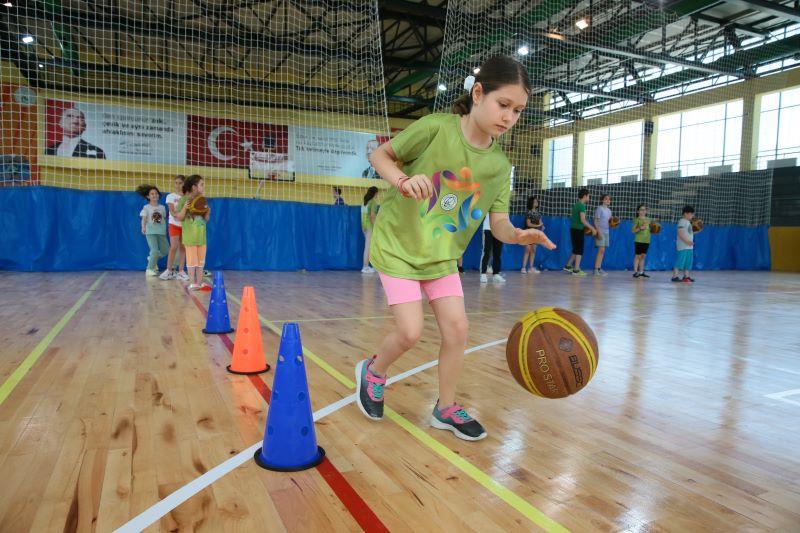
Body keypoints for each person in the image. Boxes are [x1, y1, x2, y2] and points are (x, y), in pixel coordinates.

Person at [355, 55, 555, 441]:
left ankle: (445, 408)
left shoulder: (499, 167)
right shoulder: (435, 128)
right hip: (399, 247)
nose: (509, 117)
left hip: (443, 258)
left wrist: (518, 235)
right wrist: (401, 181)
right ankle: (374, 371)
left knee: (458, 329)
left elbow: (497, 224)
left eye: (518, 110)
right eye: (503, 104)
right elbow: (380, 155)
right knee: (410, 332)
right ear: (478, 94)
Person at [176, 175, 211, 290]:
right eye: (201, 184)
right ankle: (192, 282)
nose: (203, 186)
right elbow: (179, 218)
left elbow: (205, 220)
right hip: (190, 238)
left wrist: (207, 213)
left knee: (200, 262)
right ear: (194, 187)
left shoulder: (202, 199)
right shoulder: (184, 200)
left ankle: (199, 283)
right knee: (192, 262)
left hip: (201, 238)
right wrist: (185, 208)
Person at [160, 175, 189, 281]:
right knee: (173, 246)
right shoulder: (170, 196)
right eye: (176, 183)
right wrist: (178, 215)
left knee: (183, 247)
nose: (177, 185)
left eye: (180, 183)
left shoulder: (187, 197)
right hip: (174, 224)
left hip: (185, 226)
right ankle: (169, 270)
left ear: (184, 184)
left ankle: (181, 271)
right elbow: (172, 211)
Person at [136, 184, 168, 277]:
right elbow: (144, 218)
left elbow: (163, 218)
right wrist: (143, 227)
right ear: (148, 196)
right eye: (152, 194)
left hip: (161, 232)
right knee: (154, 250)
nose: (154, 195)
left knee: (166, 251)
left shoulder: (162, 207)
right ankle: (149, 269)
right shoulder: (146, 207)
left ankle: (151, 258)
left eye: (156, 193)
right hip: (151, 232)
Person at [563, 188, 596, 277]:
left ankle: (568, 265)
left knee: (576, 249)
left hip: (574, 229)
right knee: (579, 250)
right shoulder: (581, 206)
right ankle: (576, 270)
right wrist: (592, 228)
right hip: (578, 230)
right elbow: (583, 220)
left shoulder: (576, 205)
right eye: (589, 196)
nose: (589, 198)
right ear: (585, 196)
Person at [672, 205, 696, 283]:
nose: (692, 216)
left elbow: (690, 233)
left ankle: (686, 276)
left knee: (688, 262)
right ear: (685, 213)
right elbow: (680, 233)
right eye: (691, 214)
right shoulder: (682, 221)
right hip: (683, 246)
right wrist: (687, 242)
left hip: (689, 246)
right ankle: (675, 276)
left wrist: (699, 230)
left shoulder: (688, 222)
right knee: (680, 261)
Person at [521, 195, 543, 274]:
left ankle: (531, 268)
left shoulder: (538, 213)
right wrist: (538, 225)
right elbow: (528, 224)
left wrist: (541, 226)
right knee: (527, 249)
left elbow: (541, 223)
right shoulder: (528, 212)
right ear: (531, 203)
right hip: (528, 233)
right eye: (535, 202)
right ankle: (523, 268)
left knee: (533, 250)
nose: (537, 203)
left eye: (537, 201)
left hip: (535, 234)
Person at [480, 215, 505, 283]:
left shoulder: (503, 205)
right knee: (487, 251)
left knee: (497, 253)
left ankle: (496, 274)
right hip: (488, 228)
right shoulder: (487, 204)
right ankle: (483, 274)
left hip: (500, 229)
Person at [361, 186, 379, 273]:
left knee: (369, 247)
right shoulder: (373, 202)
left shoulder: (365, 202)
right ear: (375, 193)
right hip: (369, 227)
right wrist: (376, 227)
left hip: (364, 227)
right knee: (368, 247)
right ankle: (365, 267)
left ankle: (369, 266)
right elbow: (372, 216)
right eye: (377, 193)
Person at [593, 194, 612, 276]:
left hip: (607, 231)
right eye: (606, 199)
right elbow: (595, 221)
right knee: (601, 250)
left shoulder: (609, 211)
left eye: (609, 199)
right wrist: (598, 232)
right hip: (600, 231)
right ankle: (596, 269)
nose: (608, 200)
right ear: (602, 200)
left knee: (603, 251)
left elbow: (610, 222)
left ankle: (599, 268)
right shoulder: (599, 209)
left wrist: (614, 223)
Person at [632, 204, 651, 279]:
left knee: (643, 256)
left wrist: (654, 229)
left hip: (646, 240)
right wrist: (640, 228)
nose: (643, 211)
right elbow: (633, 230)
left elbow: (649, 229)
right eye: (641, 210)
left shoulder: (648, 220)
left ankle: (641, 272)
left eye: (644, 210)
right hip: (639, 240)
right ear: (638, 211)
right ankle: (635, 272)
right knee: (638, 256)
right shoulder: (637, 220)